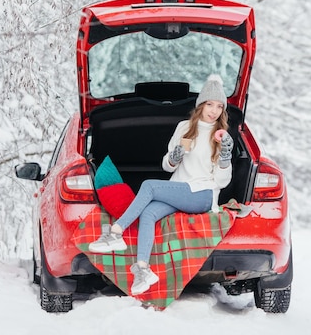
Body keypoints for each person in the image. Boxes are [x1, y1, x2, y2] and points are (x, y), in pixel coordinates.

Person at [88, 74, 234, 295]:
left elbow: (223, 181)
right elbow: (168, 166)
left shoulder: (221, 137)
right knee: (148, 213)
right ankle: (143, 270)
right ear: (200, 105)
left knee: (149, 185)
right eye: (209, 104)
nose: (214, 111)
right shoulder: (185, 128)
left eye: (219, 106)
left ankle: (116, 233)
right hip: (181, 190)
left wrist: (225, 158)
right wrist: (175, 156)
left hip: (202, 194)